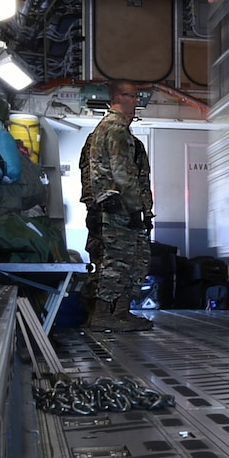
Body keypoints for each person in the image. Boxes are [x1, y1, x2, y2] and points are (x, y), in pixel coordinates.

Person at [79, 80, 154, 332]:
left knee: (133, 261)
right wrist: (135, 209)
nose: (136, 101)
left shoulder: (117, 133)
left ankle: (120, 311)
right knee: (116, 262)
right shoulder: (115, 130)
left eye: (137, 96)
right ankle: (103, 313)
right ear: (119, 98)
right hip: (118, 209)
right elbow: (123, 174)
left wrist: (145, 211)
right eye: (132, 96)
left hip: (118, 207)